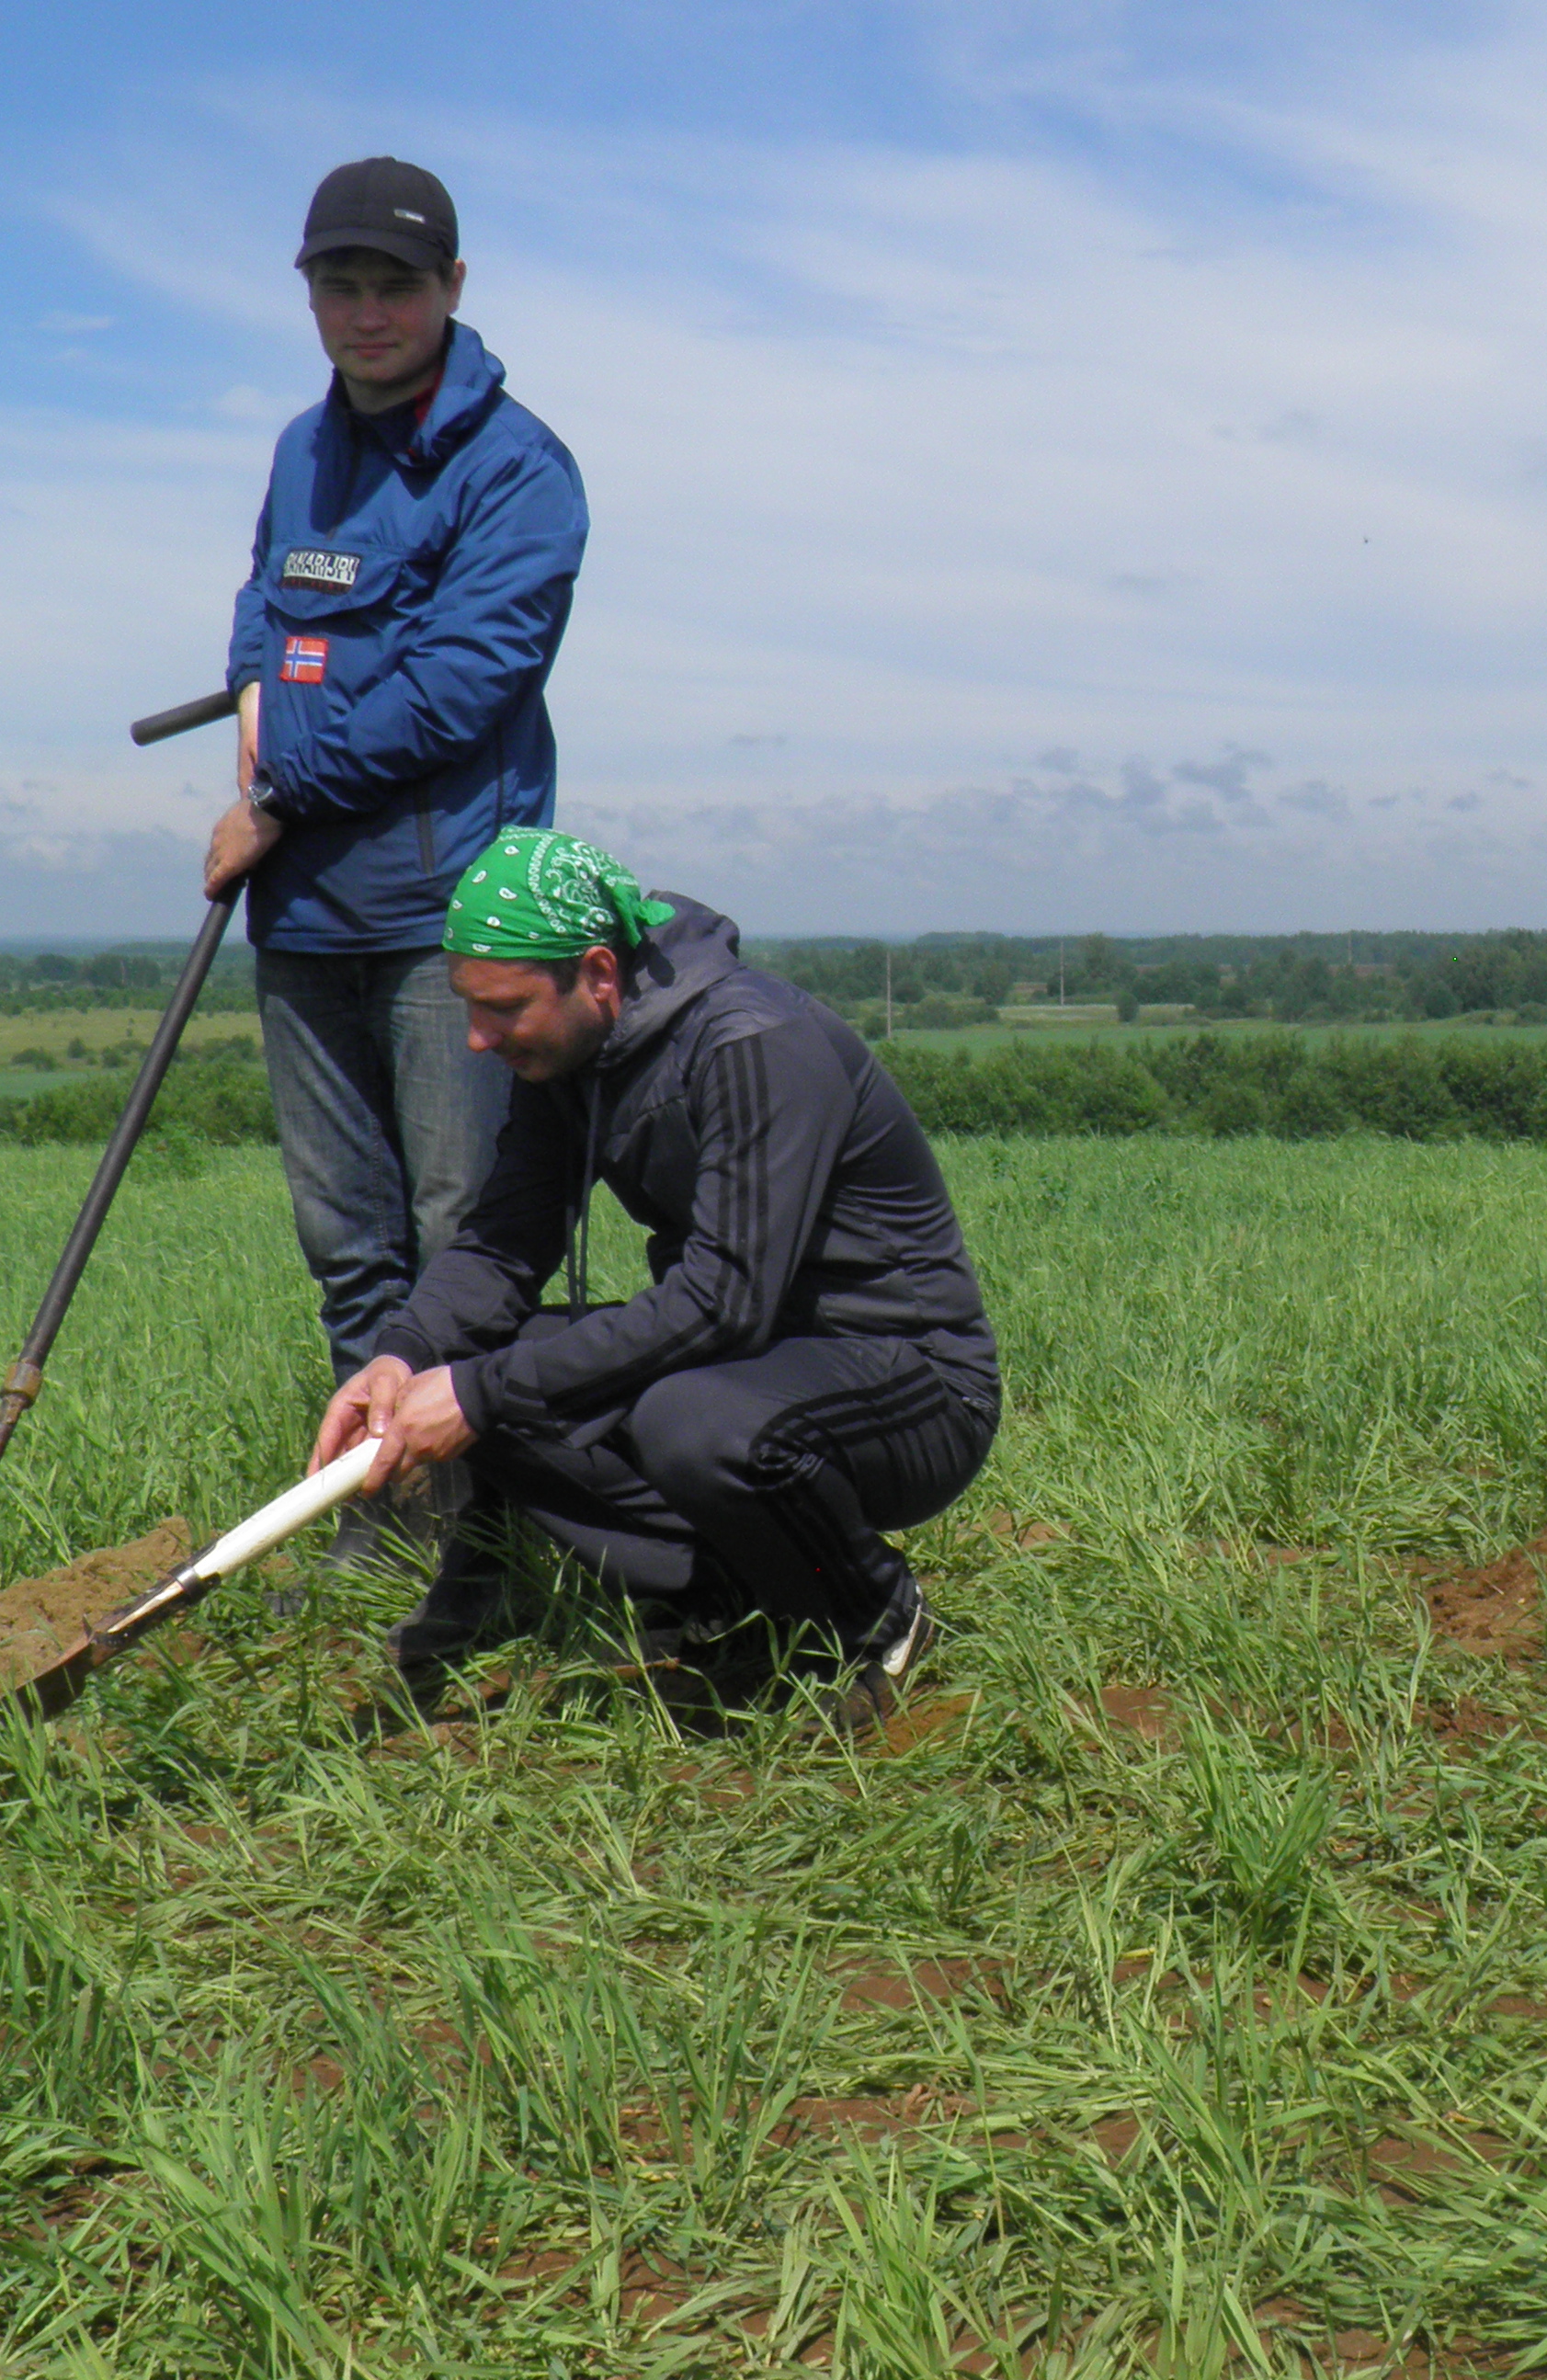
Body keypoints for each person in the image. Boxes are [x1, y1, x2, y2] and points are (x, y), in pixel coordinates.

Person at [306, 829, 999, 1731]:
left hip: (908, 1380)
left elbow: (725, 1300)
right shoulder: (567, 1055)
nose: (478, 1040)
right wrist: (405, 1355)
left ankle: (876, 1617)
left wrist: (476, 1393)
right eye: (468, 1008)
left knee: (685, 1422)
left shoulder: (756, 1043)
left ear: (598, 973)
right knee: (499, 1363)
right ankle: (735, 1606)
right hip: (753, 1363)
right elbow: (503, 1244)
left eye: (504, 1008)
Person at [209, 157, 588, 1567]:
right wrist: (255, 709)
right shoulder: (303, 449)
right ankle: (384, 1525)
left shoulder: (519, 471)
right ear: (309, 291)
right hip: (304, 912)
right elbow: (263, 609)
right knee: (348, 1242)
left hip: (452, 924)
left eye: (397, 286)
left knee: (462, 1237)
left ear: (453, 291)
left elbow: (459, 685)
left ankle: (505, 1530)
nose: (367, 314)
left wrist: (275, 792)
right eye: (339, 285)